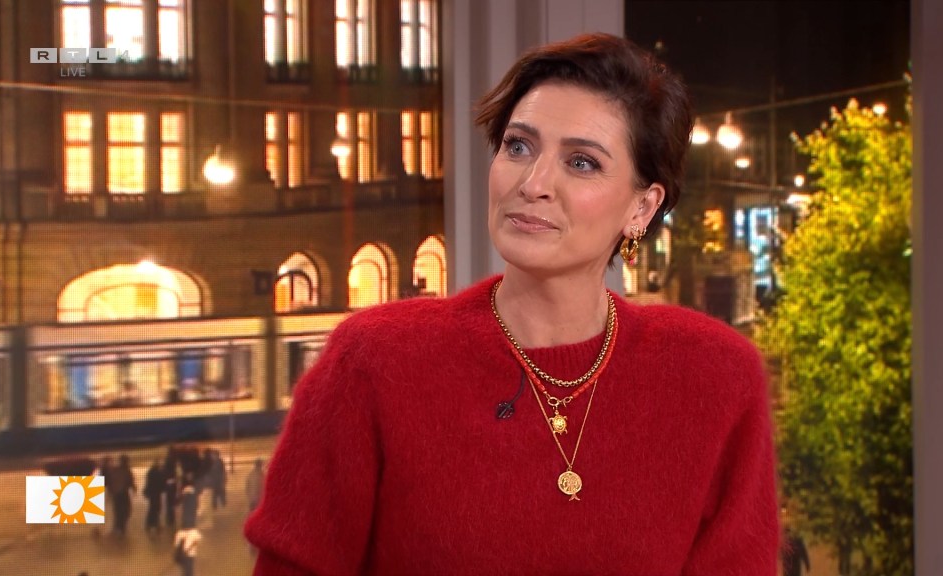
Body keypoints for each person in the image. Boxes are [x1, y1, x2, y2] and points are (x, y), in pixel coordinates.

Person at [245, 32, 779, 574]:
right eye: (518, 147)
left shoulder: (715, 375)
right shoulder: (372, 361)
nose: (534, 183)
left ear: (642, 208)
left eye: (582, 162)